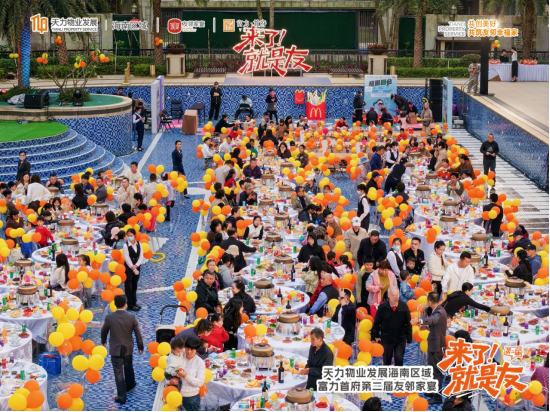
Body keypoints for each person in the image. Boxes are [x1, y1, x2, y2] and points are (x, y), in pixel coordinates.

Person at [101, 295, 144, 405]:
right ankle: (130, 385)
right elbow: (138, 333)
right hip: (128, 348)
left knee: (118, 371)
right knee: (128, 367)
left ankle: (121, 396)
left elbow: (104, 331)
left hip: (115, 349)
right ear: (126, 304)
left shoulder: (109, 317)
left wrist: (103, 341)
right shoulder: (132, 317)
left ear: (115, 305)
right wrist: (140, 346)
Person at [411, 292, 447, 405]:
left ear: (429, 302)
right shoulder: (439, 310)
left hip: (436, 346)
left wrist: (419, 321)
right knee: (432, 370)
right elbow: (434, 323)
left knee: (436, 372)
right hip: (435, 344)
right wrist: (426, 326)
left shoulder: (439, 312)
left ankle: (437, 397)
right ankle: (433, 391)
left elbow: (433, 320)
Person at [372, 285, 412, 366]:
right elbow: (376, 323)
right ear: (388, 295)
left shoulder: (404, 306)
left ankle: (397, 374)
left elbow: (408, 323)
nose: (395, 297)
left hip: (400, 339)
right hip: (386, 339)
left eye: (397, 295)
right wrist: (376, 335)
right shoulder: (382, 307)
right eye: (393, 295)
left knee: (399, 358)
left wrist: (409, 338)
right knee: (386, 361)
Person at [178, 337, 206, 412]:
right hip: (176, 394)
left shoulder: (199, 362)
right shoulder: (179, 356)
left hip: (191, 397)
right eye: (187, 349)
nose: (189, 352)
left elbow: (200, 382)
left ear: (196, 350)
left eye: (192, 350)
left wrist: (186, 376)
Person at [122, 229, 145, 311]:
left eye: (131, 235)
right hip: (129, 266)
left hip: (136, 265)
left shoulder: (139, 244)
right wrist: (133, 267)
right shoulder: (125, 245)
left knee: (135, 284)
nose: (129, 237)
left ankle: (134, 301)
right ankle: (130, 304)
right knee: (128, 285)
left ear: (135, 235)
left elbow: (141, 255)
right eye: (128, 236)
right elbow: (127, 258)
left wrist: (137, 265)